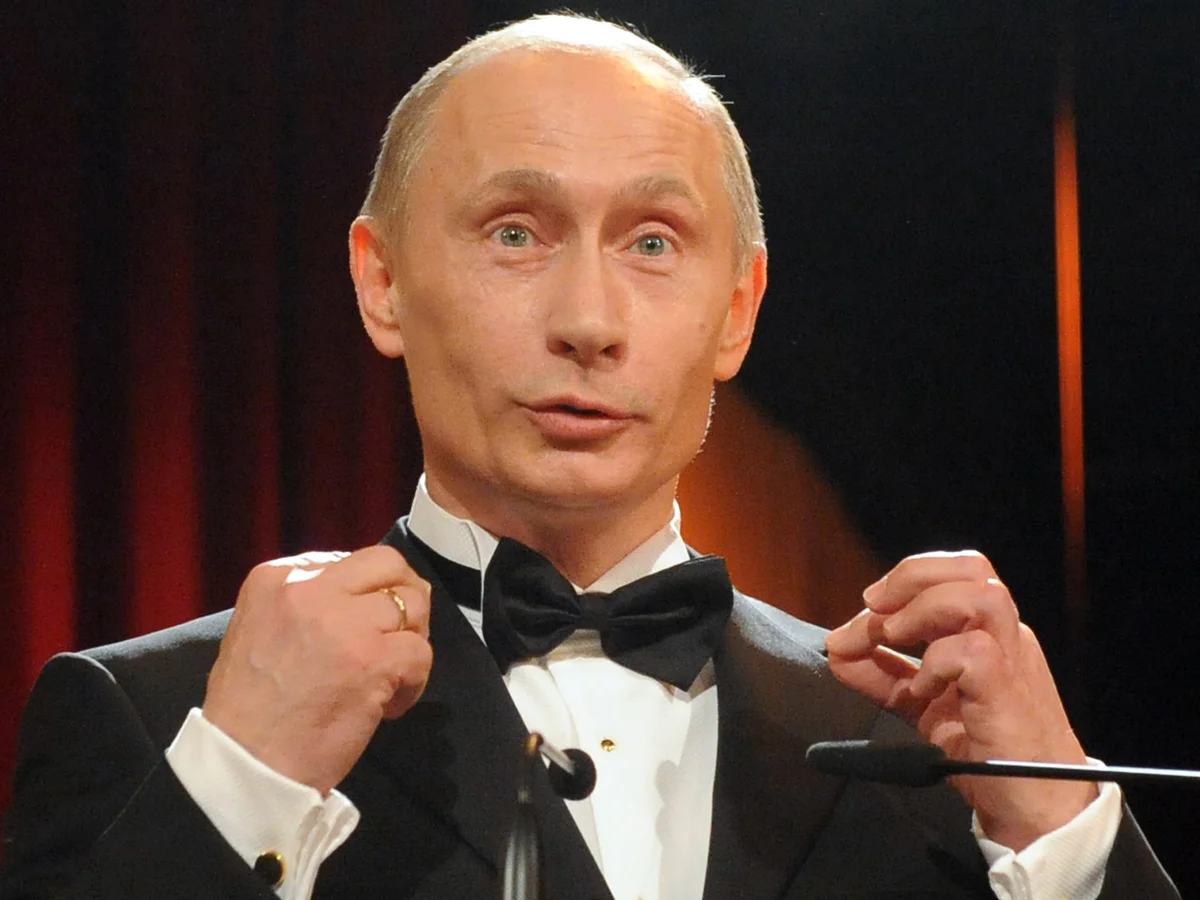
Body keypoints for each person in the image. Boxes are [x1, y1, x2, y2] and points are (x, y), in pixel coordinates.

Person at [0, 13, 1178, 900]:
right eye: (516, 232)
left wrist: (1059, 827)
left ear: (736, 311)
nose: (589, 321)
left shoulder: (920, 746)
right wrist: (240, 786)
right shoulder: (153, 717)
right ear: (382, 281)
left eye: (653, 243)